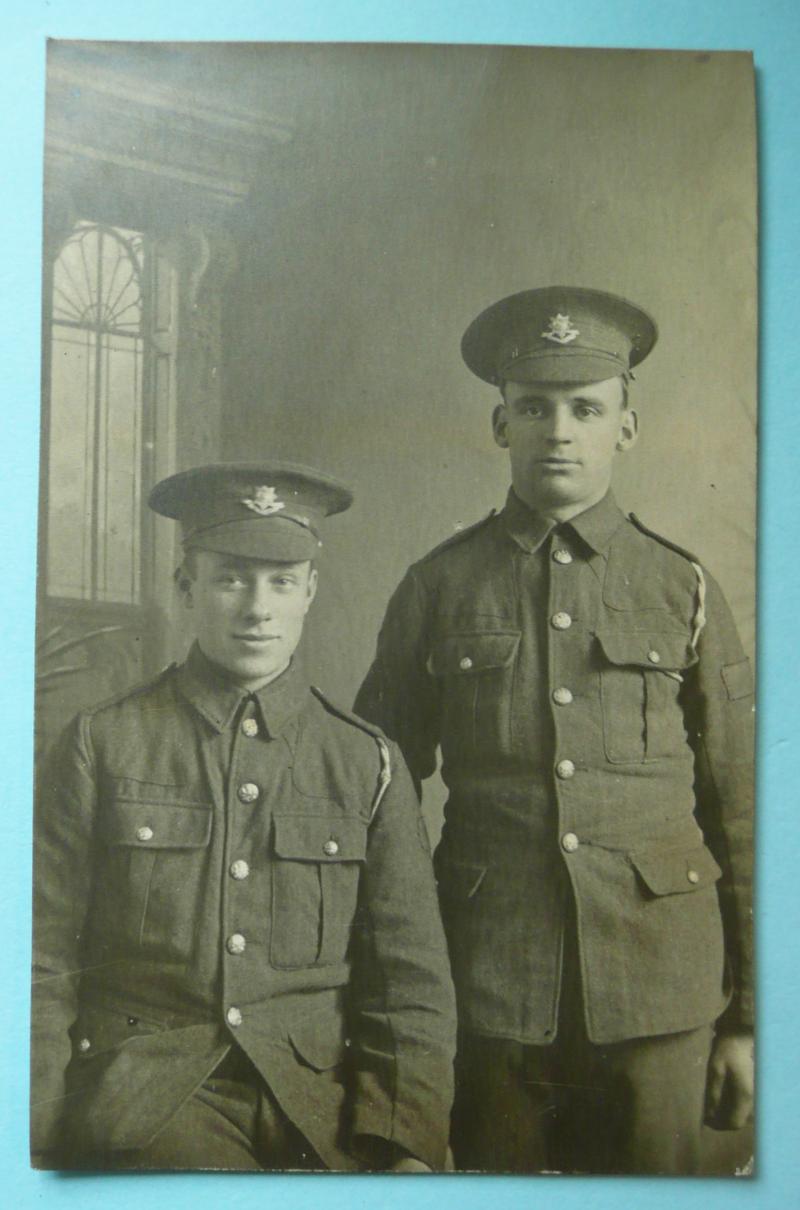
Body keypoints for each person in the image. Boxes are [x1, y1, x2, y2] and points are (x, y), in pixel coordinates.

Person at [354, 287, 754, 1174]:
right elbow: (371, 800)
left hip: (665, 999)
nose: (559, 431)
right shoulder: (437, 588)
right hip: (490, 991)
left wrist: (754, 1022)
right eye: (534, 408)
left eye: (586, 408)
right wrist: (400, 1005)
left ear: (627, 426)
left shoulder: (683, 589)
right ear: (501, 425)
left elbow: (747, 805)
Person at [32, 461, 456, 1172]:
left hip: (323, 1111)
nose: (257, 607)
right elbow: (38, 957)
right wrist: (31, 1133)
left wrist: (406, 1141)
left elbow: (409, 981)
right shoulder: (102, 744)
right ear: (185, 587)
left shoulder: (365, 762)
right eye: (231, 578)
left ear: (309, 592)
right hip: (148, 1104)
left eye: (281, 581)